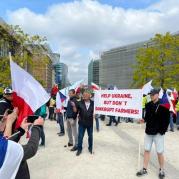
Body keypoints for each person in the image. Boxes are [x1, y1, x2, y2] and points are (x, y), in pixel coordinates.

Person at [0, 107, 44, 179]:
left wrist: (21, 130)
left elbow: (8, 142)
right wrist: (37, 127)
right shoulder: (3, 147)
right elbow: (31, 149)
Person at [136, 89, 170, 179]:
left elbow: (167, 120)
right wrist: (142, 120)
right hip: (149, 132)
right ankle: (144, 169)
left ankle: (161, 169)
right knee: (147, 150)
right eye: (151, 94)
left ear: (157, 95)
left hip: (158, 133)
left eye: (153, 94)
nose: (151, 96)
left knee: (159, 152)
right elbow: (146, 118)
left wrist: (162, 131)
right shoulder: (148, 105)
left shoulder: (163, 105)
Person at [72, 90, 94, 156]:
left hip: (90, 123)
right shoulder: (79, 103)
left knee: (90, 136)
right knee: (80, 137)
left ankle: (90, 148)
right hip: (82, 123)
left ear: (89, 95)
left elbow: (97, 110)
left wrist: (95, 114)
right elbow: (75, 111)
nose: (84, 96)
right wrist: (73, 106)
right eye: (83, 95)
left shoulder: (94, 103)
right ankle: (79, 149)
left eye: (86, 95)